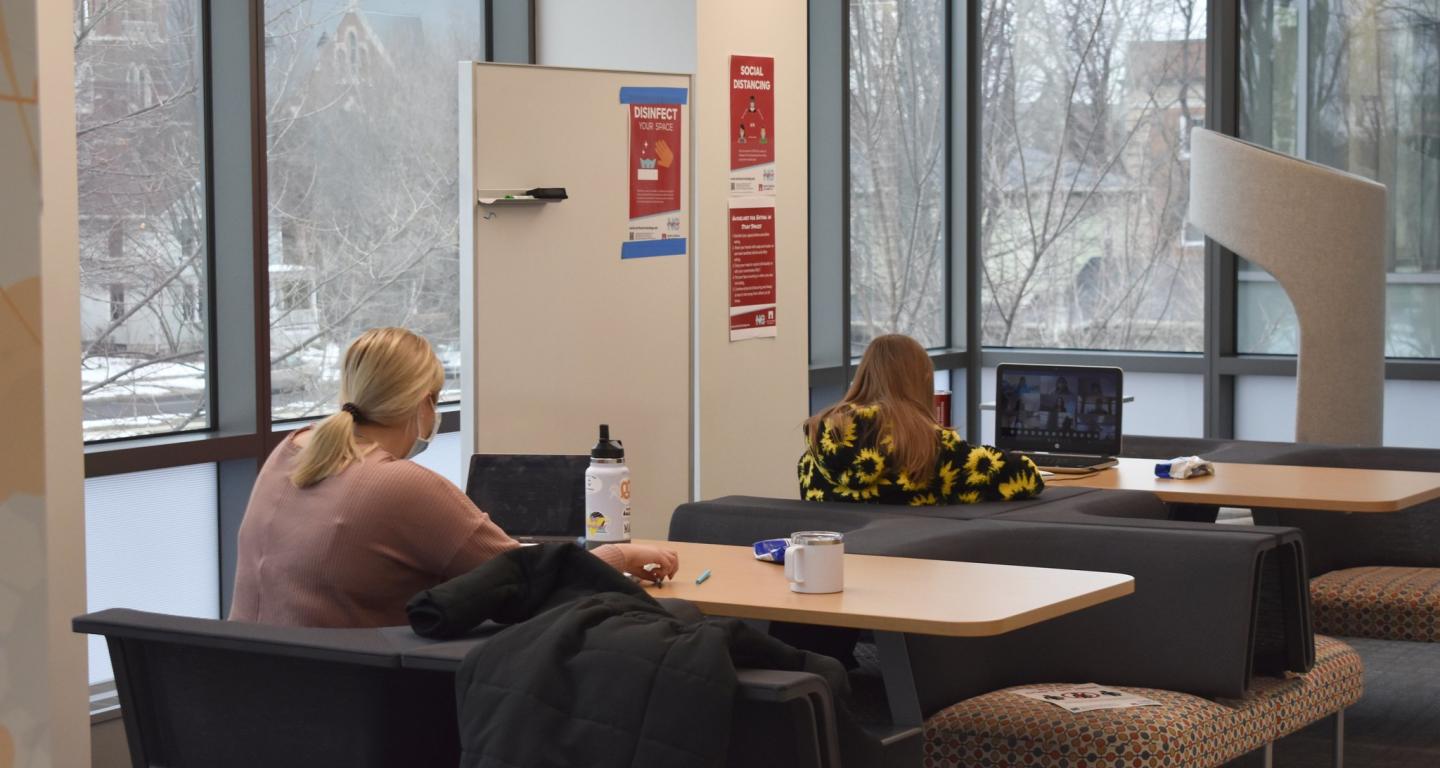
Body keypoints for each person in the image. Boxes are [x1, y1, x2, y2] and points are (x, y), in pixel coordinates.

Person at [229, 327, 678, 628]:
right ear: (424, 403)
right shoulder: (399, 485)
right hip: (358, 699)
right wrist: (622, 554)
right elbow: (532, 581)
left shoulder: (293, 449)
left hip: (247, 695)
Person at [798, 334, 1044, 505]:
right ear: (922, 379)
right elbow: (1026, 477)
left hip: (836, 567)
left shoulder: (816, 450)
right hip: (915, 569)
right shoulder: (928, 445)